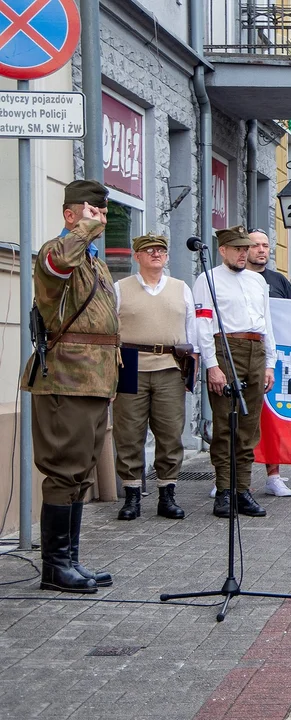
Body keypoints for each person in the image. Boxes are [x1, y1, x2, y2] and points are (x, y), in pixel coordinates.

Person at [20, 179, 117, 593]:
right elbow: (57, 265)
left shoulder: (94, 261)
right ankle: (55, 566)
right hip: (67, 378)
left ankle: (71, 560)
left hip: (94, 380)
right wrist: (84, 230)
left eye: (104, 213)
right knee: (63, 471)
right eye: (91, 211)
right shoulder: (56, 252)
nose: (100, 219)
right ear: (70, 214)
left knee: (80, 474)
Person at [193, 226, 277, 518]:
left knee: (249, 426)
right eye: (238, 249)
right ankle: (225, 491)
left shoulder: (257, 281)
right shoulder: (208, 279)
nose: (244, 254)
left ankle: (243, 490)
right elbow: (203, 324)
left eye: (246, 249)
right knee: (226, 424)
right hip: (225, 347)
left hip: (255, 350)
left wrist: (270, 363)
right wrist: (212, 366)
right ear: (223, 250)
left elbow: (266, 323)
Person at [113, 234, 198, 521]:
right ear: (136, 256)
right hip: (130, 363)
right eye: (148, 250)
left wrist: (192, 368)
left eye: (160, 250)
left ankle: (167, 494)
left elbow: (192, 331)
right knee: (128, 434)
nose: (155, 254)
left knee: (170, 433)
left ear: (167, 256)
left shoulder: (181, 288)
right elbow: (111, 332)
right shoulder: (120, 289)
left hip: (170, 364)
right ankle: (132, 496)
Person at [247, 228, 291, 498]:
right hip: (241, 356)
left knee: (273, 419)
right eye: (256, 245)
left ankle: (274, 475)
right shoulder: (235, 279)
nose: (262, 250)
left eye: (265, 245)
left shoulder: (278, 281)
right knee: (236, 418)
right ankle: (229, 475)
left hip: (275, 359)